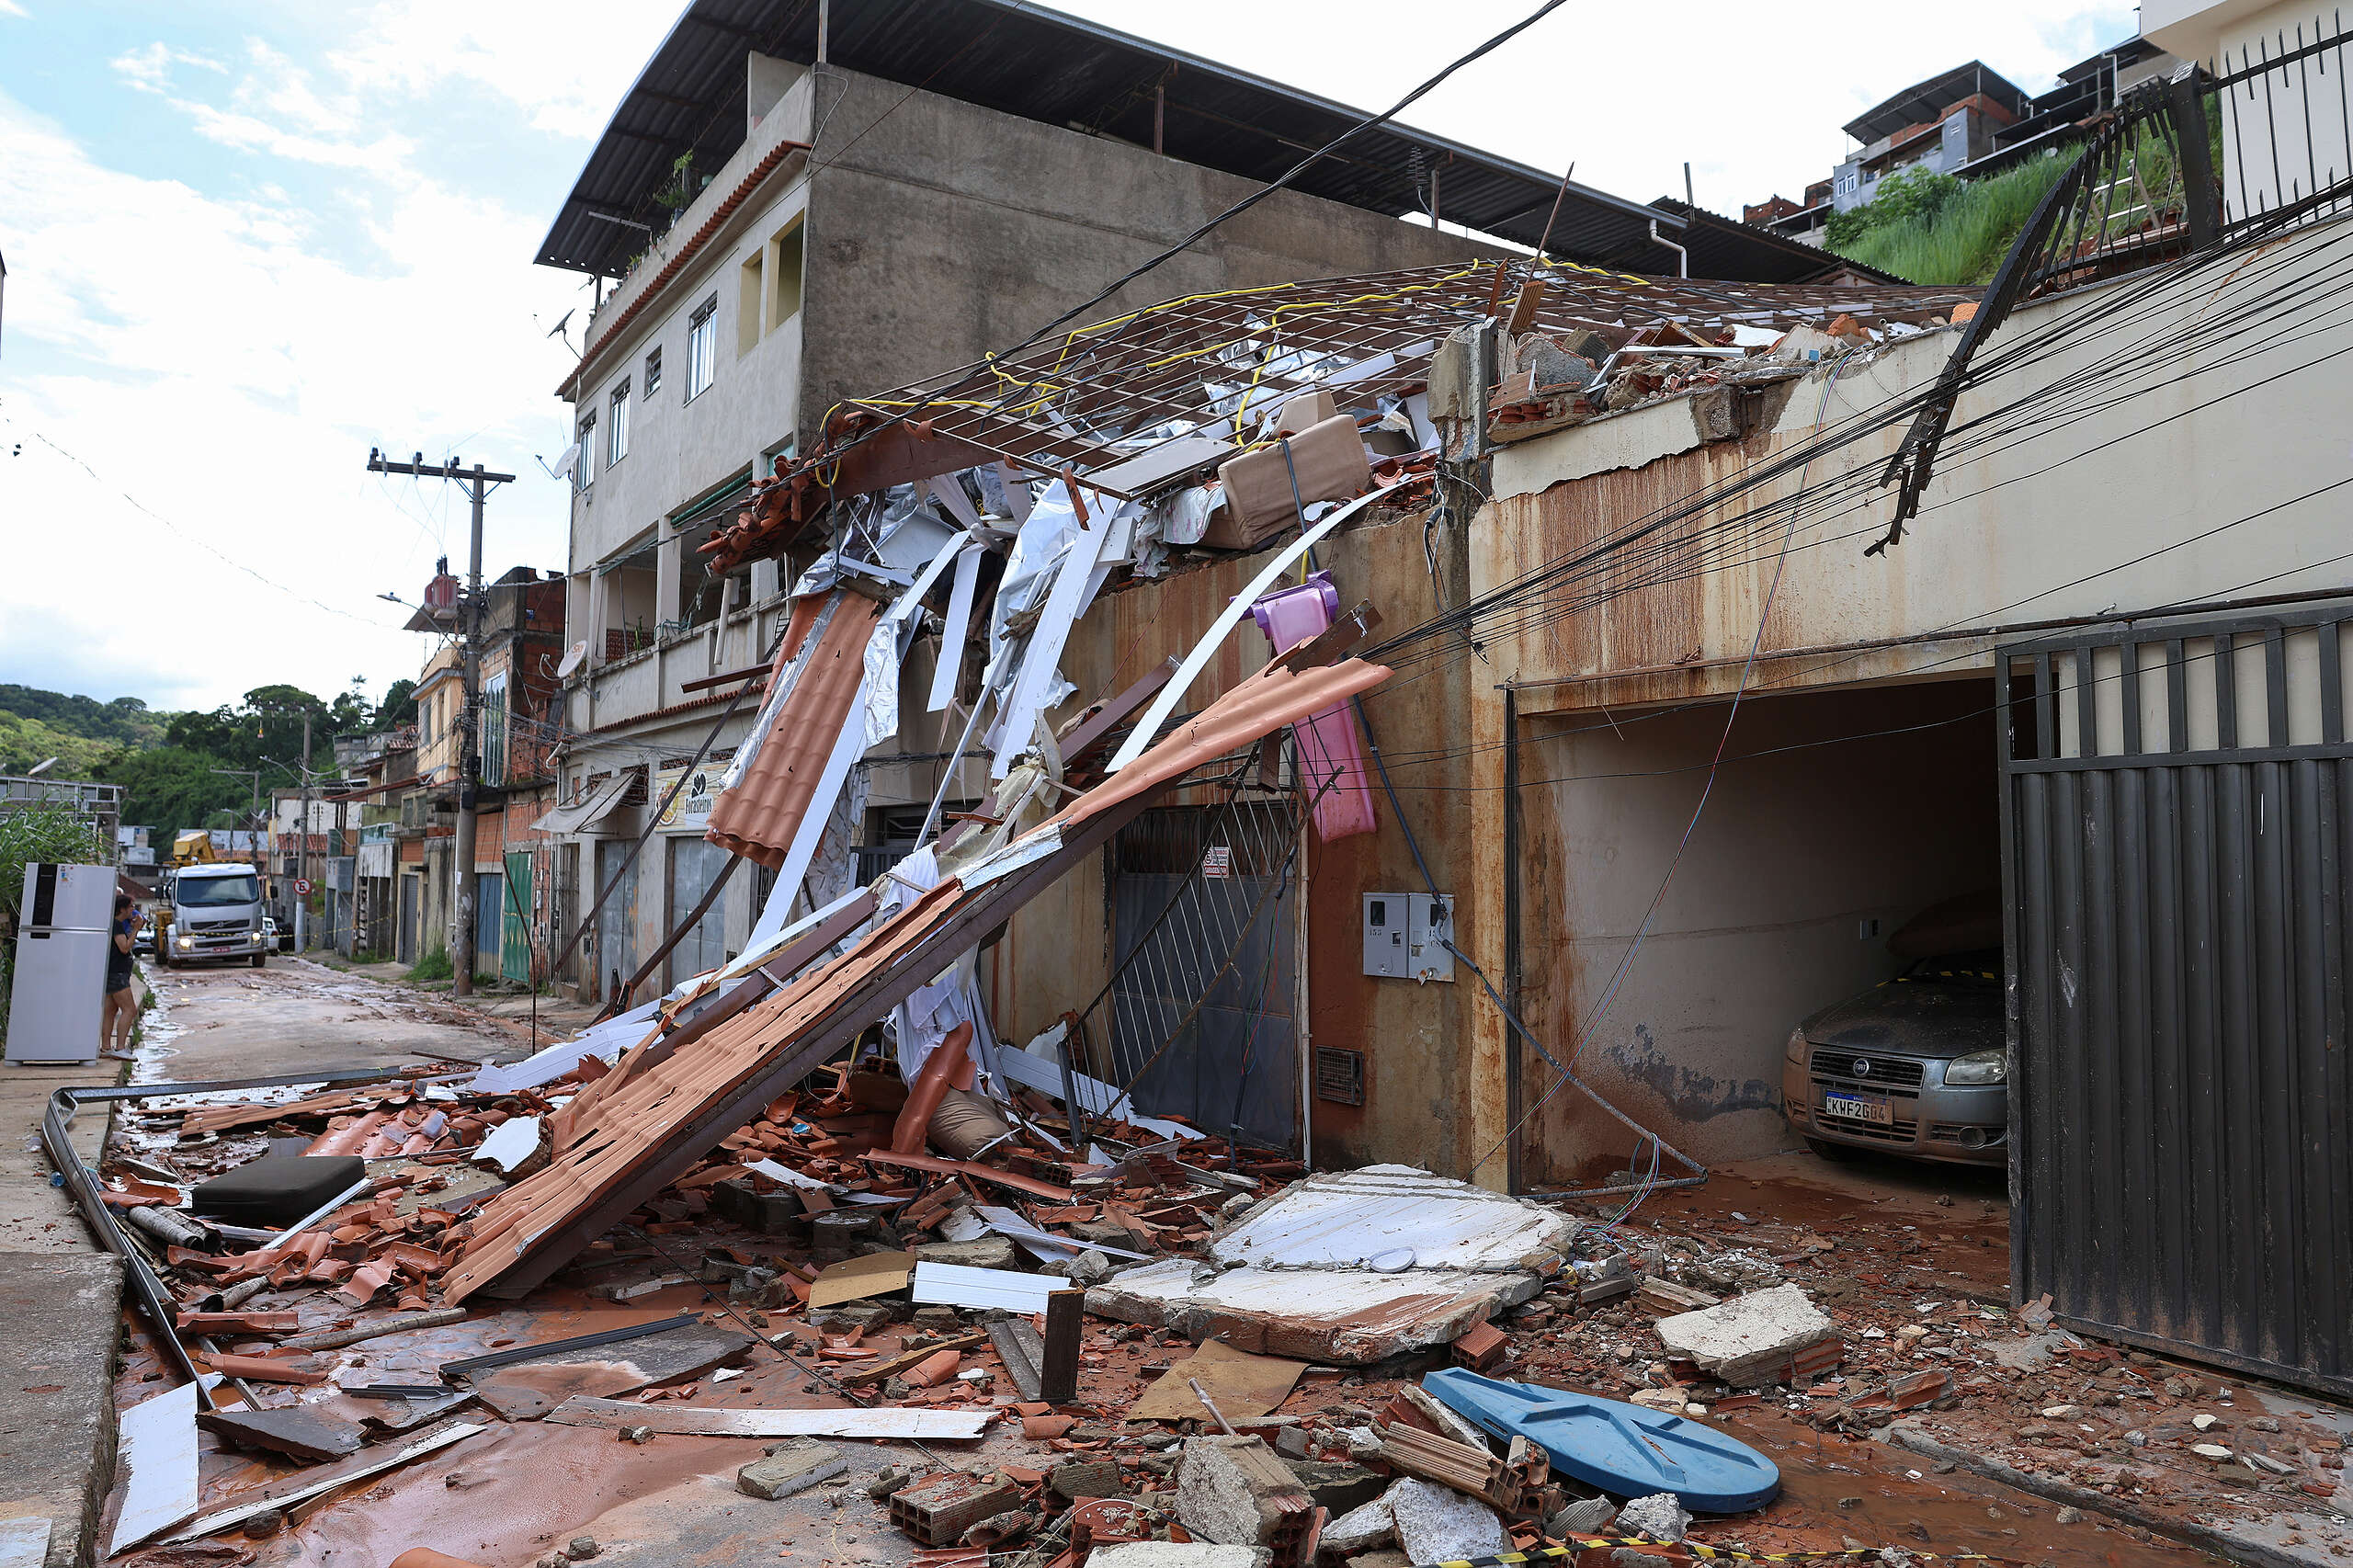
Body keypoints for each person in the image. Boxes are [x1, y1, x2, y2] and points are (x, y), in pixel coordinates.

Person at [102, 892, 138, 1054]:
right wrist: (136, 929)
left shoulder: (118, 924)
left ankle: (106, 1047)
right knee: (130, 1009)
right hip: (117, 973)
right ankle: (120, 1047)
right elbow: (124, 947)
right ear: (122, 909)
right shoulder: (117, 925)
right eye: (131, 906)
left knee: (110, 1011)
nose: (133, 910)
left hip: (113, 971)